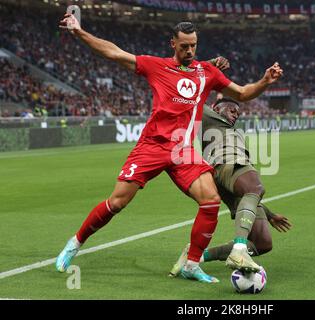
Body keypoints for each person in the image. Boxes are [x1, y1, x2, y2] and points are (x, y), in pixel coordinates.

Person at [55, 15, 283, 283]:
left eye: (194, 46)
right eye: (184, 46)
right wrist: (79, 31)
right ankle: (75, 242)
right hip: (152, 146)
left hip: (183, 151)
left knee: (210, 199)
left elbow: (243, 93)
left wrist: (265, 81)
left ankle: (191, 264)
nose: (189, 51)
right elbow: (114, 53)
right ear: (172, 43)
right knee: (117, 201)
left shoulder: (206, 72)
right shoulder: (156, 66)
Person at [170, 98, 291, 278]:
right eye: (232, 110)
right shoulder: (210, 116)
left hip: (223, 174)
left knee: (262, 243)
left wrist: (271, 215)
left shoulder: (228, 128)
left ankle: (195, 257)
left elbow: (248, 197)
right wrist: (209, 70)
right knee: (256, 187)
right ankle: (239, 249)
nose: (236, 115)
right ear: (215, 108)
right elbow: (194, 94)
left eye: (238, 113)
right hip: (227, 162)